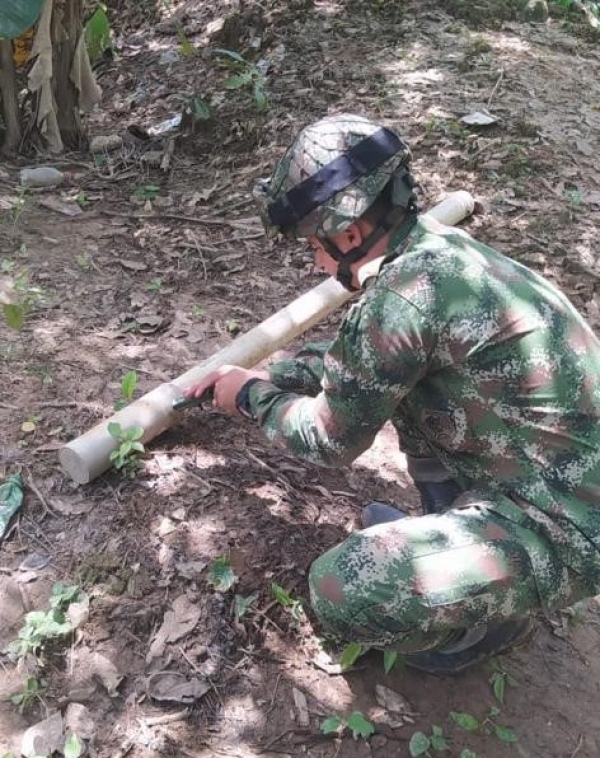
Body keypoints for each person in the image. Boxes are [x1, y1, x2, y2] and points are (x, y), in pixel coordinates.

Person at [184, 113, 600, 673]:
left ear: (348, 233)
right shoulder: (444, 256)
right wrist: (279, 372)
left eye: (316, 247)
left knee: (342, 587)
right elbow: (366, 362)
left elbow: (326, 441)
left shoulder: (402, 301)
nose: (318, 262)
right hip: (551, 487)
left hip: (568, 531)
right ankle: (466, 550)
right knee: (418, 402)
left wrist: (250, 397)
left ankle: (475, 629)